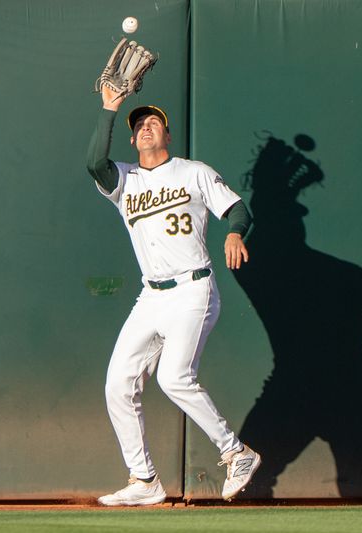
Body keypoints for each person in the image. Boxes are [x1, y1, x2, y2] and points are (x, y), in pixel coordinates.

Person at [86, 86, 261, 506]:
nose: (146, 127)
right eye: (139, 125)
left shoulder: (192, 171)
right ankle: (144, 479)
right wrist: (111, 108)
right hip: (151, 297)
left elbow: (239, 209)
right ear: (132, 139)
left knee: (173, 378)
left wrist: (234, 231)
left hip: (192, 289)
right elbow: (94, 162)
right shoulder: (125, 179)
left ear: (168, 133)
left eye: (153, 122)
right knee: (117, 385)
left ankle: (237, 453)